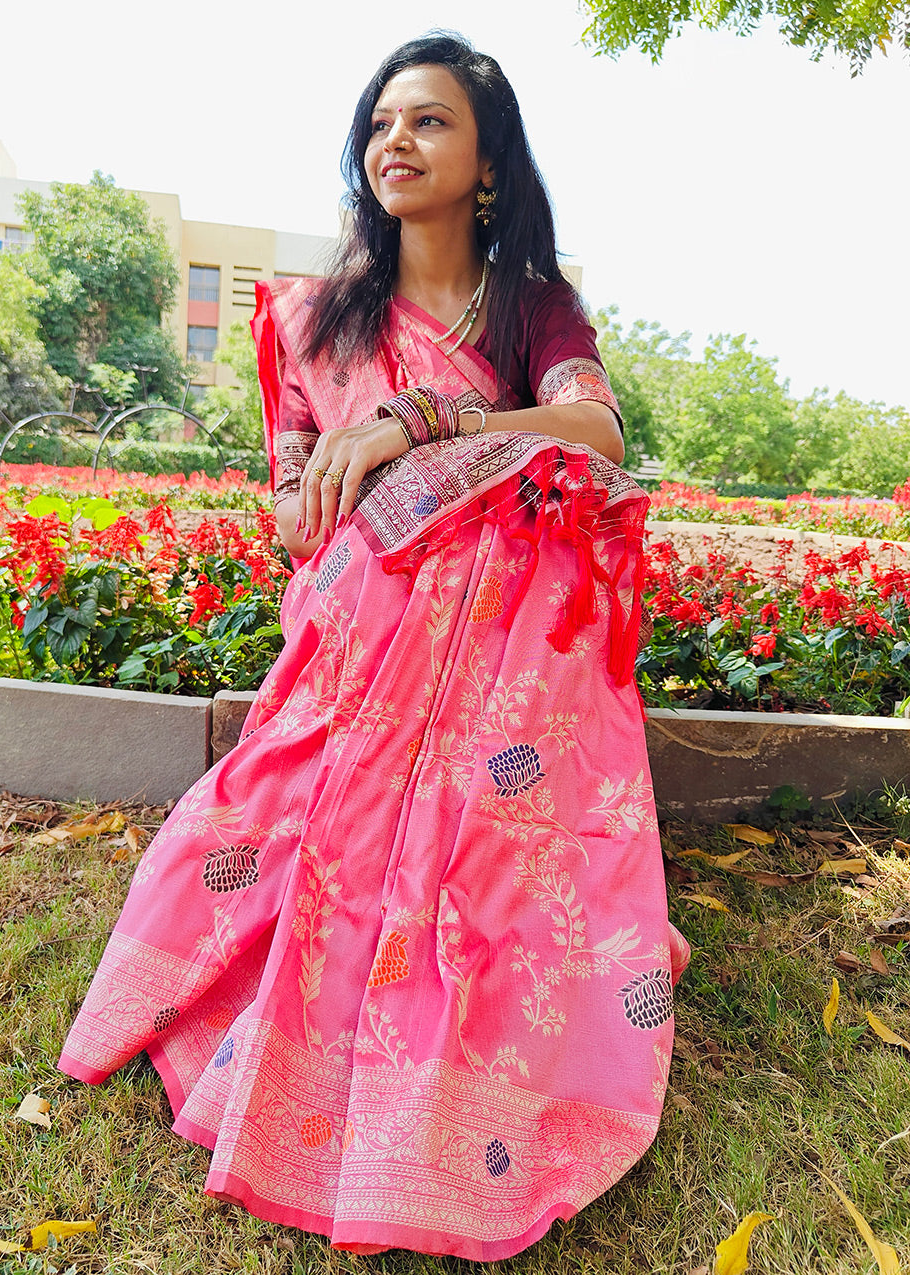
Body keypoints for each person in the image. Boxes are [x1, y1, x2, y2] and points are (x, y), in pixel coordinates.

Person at [59, 32, 689, 1262]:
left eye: (430, 123)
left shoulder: (532, 307)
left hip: (495, 650)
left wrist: (433, 424)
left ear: (488, 165)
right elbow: (295, 480)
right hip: (357, 624)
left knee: (516, 526)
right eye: (380, 123)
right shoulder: (318, 315)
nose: (393, 142)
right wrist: (323, 503)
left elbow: (596, 435)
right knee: (280, 785)